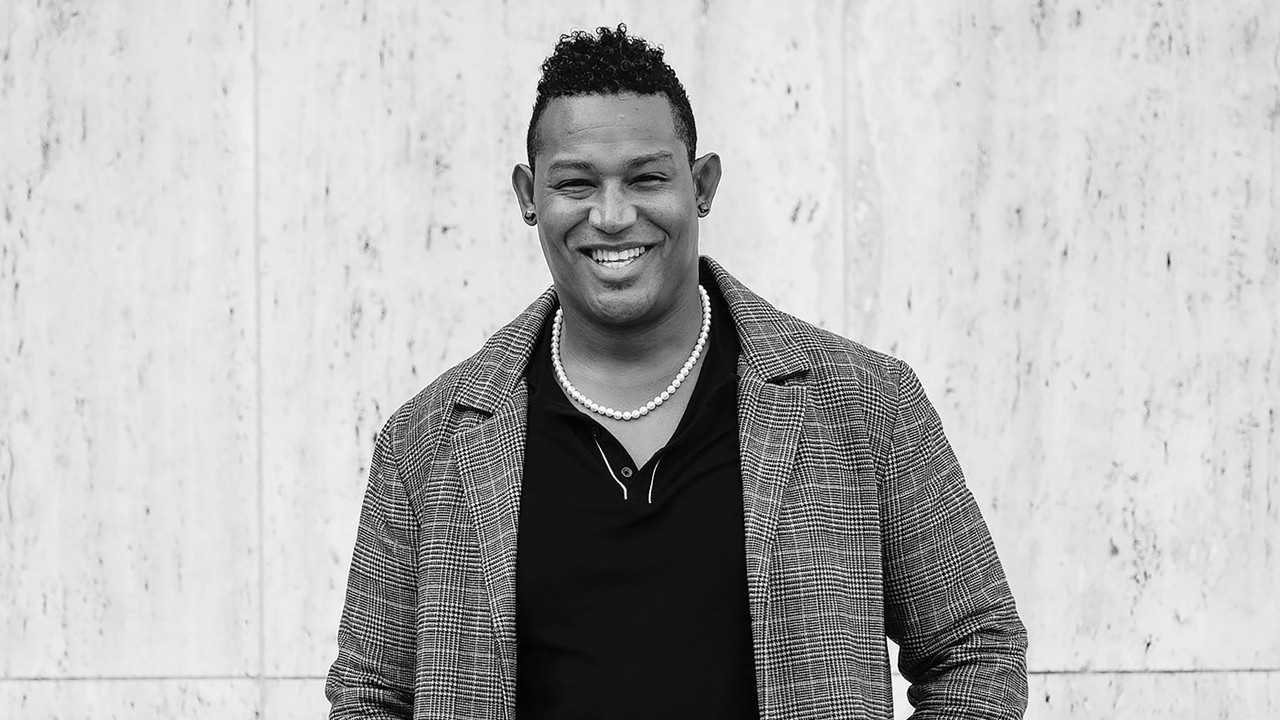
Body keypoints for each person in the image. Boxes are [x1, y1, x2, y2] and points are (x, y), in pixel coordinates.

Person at [326, 23, 1028, 720]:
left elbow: (976, 648)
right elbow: (369, 699)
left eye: (646, 178)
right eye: (576, 183)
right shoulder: (426, 442)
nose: (612, 215)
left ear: (701, 185)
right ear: (528, 195)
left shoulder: (866, 405)